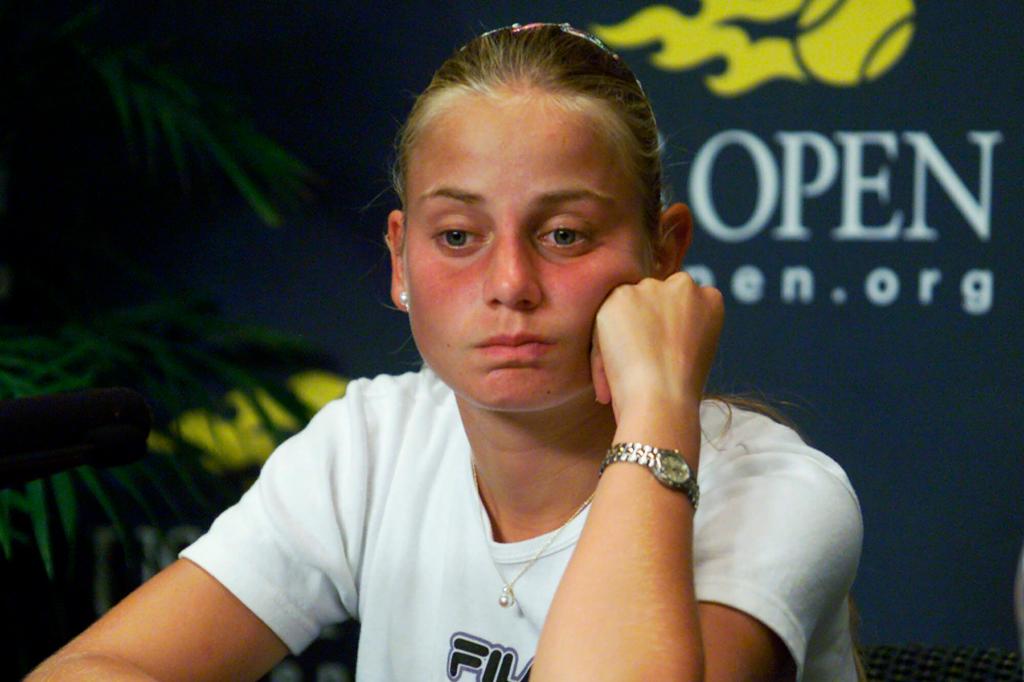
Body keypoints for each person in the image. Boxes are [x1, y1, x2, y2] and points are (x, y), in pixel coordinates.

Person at [28, 23, 862, 681]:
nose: (509, 282)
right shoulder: (374, 443)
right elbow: (102, 667)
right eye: (458, 235)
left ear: (663, 253)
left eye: (565, 234)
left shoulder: (777, 495)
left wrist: (655, 410)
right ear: (400, 260)